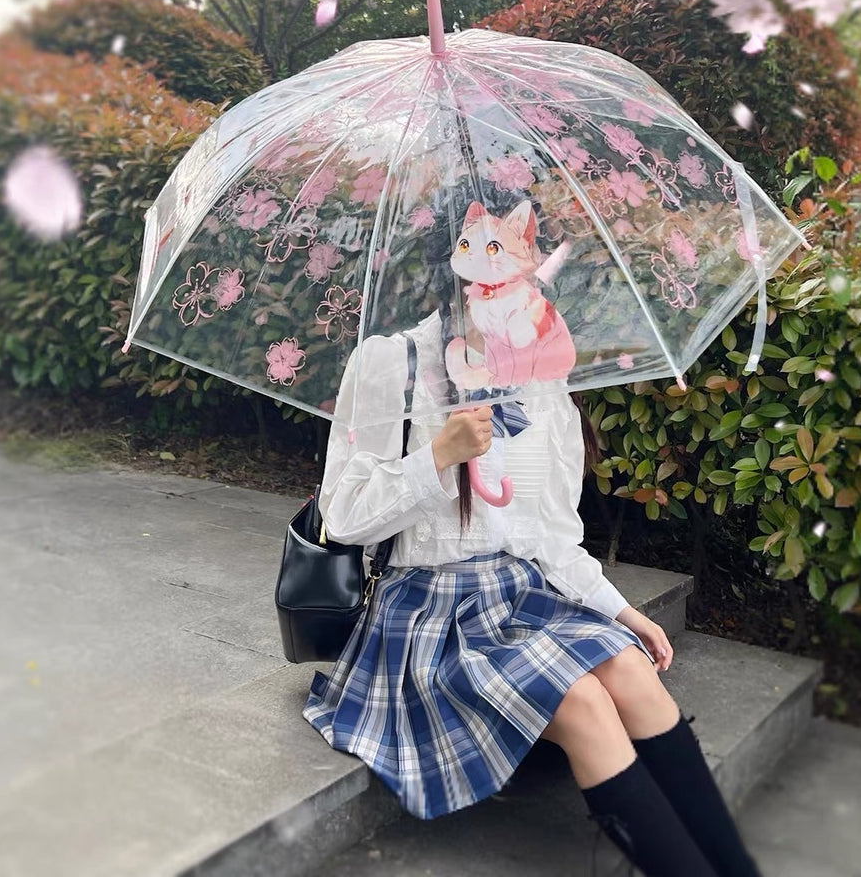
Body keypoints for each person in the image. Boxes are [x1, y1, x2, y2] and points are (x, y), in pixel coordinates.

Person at [303, 184, 762, 877]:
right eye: (488, 249)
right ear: (453, 260)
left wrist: (620, 610)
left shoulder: (540, 378)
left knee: (632, 672)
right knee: (583, 701)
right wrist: (437, 457)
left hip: (520, 595)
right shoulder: (391, 363)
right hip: (427, 613)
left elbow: (550, 535)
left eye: (522, 250)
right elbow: (343, 517)